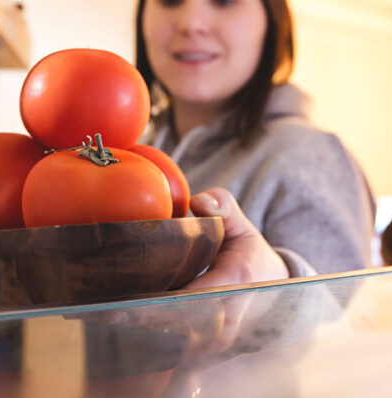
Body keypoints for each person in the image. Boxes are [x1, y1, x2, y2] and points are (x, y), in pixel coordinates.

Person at [135, 0, 376, 291]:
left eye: (224, 1)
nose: (191, 23)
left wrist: (275, 284)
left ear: (272, 22)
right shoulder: (130, 156)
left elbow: (344, 316)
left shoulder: (307, 154)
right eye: (170, 0)